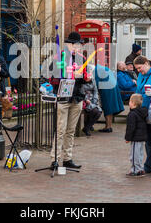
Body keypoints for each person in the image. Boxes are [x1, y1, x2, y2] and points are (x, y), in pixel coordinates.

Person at [49, 32, 86, 169]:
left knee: (70, 130)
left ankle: (68, 158)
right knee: (60, 129)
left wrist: (83, 76)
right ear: (68, 45)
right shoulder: (59, 58)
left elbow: (86, 78)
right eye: (75, 45)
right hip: (63, 97)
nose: (77, 47)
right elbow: (52, 77)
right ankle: (55, 158)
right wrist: (66, 74)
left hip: (77, 97)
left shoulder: (82, 58)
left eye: (79, 45)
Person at [95, 64, 125, 133]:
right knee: (110, 107)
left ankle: (108, 127)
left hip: (107, 87)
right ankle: (109, 126)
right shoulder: (102, 68)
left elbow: (95, 83)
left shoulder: (95, 70)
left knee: (107, 107)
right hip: (113, 85)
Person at [125, 94, 148, 177]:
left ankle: (135, 170)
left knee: (134, 155)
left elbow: (131, 127)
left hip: (135, 137)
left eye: (130, 102)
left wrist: (128, 138)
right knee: (140, 154)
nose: (129, 103)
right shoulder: (142, 113)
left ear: (134, 103)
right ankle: (140, 168)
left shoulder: (132, 114)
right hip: (142, 137)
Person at [79, 66, 102, 136]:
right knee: (95, 112)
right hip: (84, 100)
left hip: (92, 100)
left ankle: (87, 127)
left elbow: (95, 91)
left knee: (98, 112)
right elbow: (81, 92)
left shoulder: (93, 80)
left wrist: (95, 100)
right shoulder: (81, 82)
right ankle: (87, 128)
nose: (88, 78)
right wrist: (86, 100)